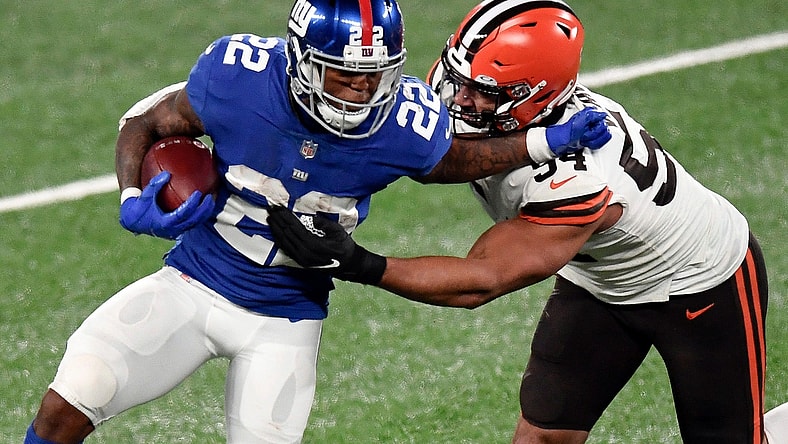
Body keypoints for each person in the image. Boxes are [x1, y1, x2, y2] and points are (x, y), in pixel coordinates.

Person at [23, 0, 611, 443]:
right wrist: (132, 198)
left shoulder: (404, 120)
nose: (362, 88)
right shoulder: (237, 75)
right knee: (71, 398)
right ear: (303, 61)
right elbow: (147, 124)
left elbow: (452, 160)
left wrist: (541, 141)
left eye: (376, 74)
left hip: (284, 316)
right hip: (191, 281)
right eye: (344, 73)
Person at [266, 0, 785, 442]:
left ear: (534, 96)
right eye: (456, 77)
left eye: (483, 92)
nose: (458, 99)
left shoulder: (579, 175)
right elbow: (434, 158)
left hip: (699, 285)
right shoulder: (478, 97)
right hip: (599, 280)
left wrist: (359, 263)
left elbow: (480, 281)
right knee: (541, 435)